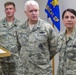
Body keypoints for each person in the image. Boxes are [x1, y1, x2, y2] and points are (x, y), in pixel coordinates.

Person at [17, 0, 57, 75]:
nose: (34, 13)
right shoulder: (20, 29)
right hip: (24, 70)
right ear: (25, 13)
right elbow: (18, 47)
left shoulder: (47, 28)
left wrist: (42, 58)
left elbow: (54, 48)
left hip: (42, 70)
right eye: (31, 11)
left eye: (36, 10)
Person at [0, 1, 22, 75]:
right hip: (2, 62)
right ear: (4, 11)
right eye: (7, 9)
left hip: (16, 61)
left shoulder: (21, 26)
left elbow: (24, 43)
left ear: (14, 10)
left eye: (10, 8)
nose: (8, 11)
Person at [57, 8, 76, 75]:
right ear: (63, 20)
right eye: (66, 17)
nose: (69, 20)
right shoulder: (60, 37)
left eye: (72, 17)